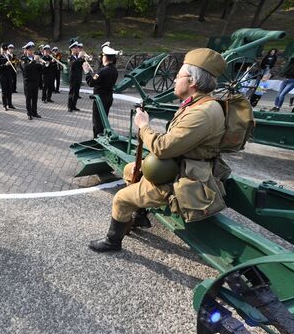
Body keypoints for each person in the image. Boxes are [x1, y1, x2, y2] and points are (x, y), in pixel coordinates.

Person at [89, 48, 230, 252]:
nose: (174, 80)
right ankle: (139, 216)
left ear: (192, 82)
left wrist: (143, 126)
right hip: (178, 167)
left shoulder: (202, 113)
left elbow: (162, 148)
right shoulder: (200, 104)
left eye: (178, 75)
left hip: (184, 179)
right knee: (131, 169)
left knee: (120, 198)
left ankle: (113, 241)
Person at [83, 45, 120, 137]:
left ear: (105, 58)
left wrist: (87, 72)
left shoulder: (102, 71)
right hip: (108, 98)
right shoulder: (114, 70)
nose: (102, 58)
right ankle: (103, 137)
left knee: (97, 122)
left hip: (100, 100)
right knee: (104, 120)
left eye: (103, 56)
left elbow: (91, 83)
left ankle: (97, 141)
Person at [21, 41, 44, 120]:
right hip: (28, 82)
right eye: (30, 50)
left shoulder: (35, 59)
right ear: (27, 50)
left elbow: (40, 70)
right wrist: (34, 61)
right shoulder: (24, 58)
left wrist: (42, 63)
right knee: (28, 98)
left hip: (35, 81)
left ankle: (34, 112)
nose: (31, 51)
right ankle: (29, 113)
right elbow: (25, 68)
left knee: (35, 98)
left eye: (32, 50)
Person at [0, 43, 17, 111]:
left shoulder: (9, 56)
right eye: (3, 50)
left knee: (9, 91)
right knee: (4, 91)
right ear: (1, 49)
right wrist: (5, 65)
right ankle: (4, 105)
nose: (4, 51)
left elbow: (12, 66)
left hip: (9, 76)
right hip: (3, 77)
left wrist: (11, 61)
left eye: (5, 50)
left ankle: (10, 104)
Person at [67, 41, 85, 112]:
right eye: (75, 48)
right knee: (72, 92)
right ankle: (69, 106)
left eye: (77, 48)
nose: (77, 49)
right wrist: (79, 58)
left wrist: (85, 58)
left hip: (79, 76)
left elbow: (83, 63)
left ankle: (74, 106)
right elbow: (72, 65)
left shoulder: (79, 57)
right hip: (73, 77)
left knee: (76, 92)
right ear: (72, 49)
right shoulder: (70, 57)